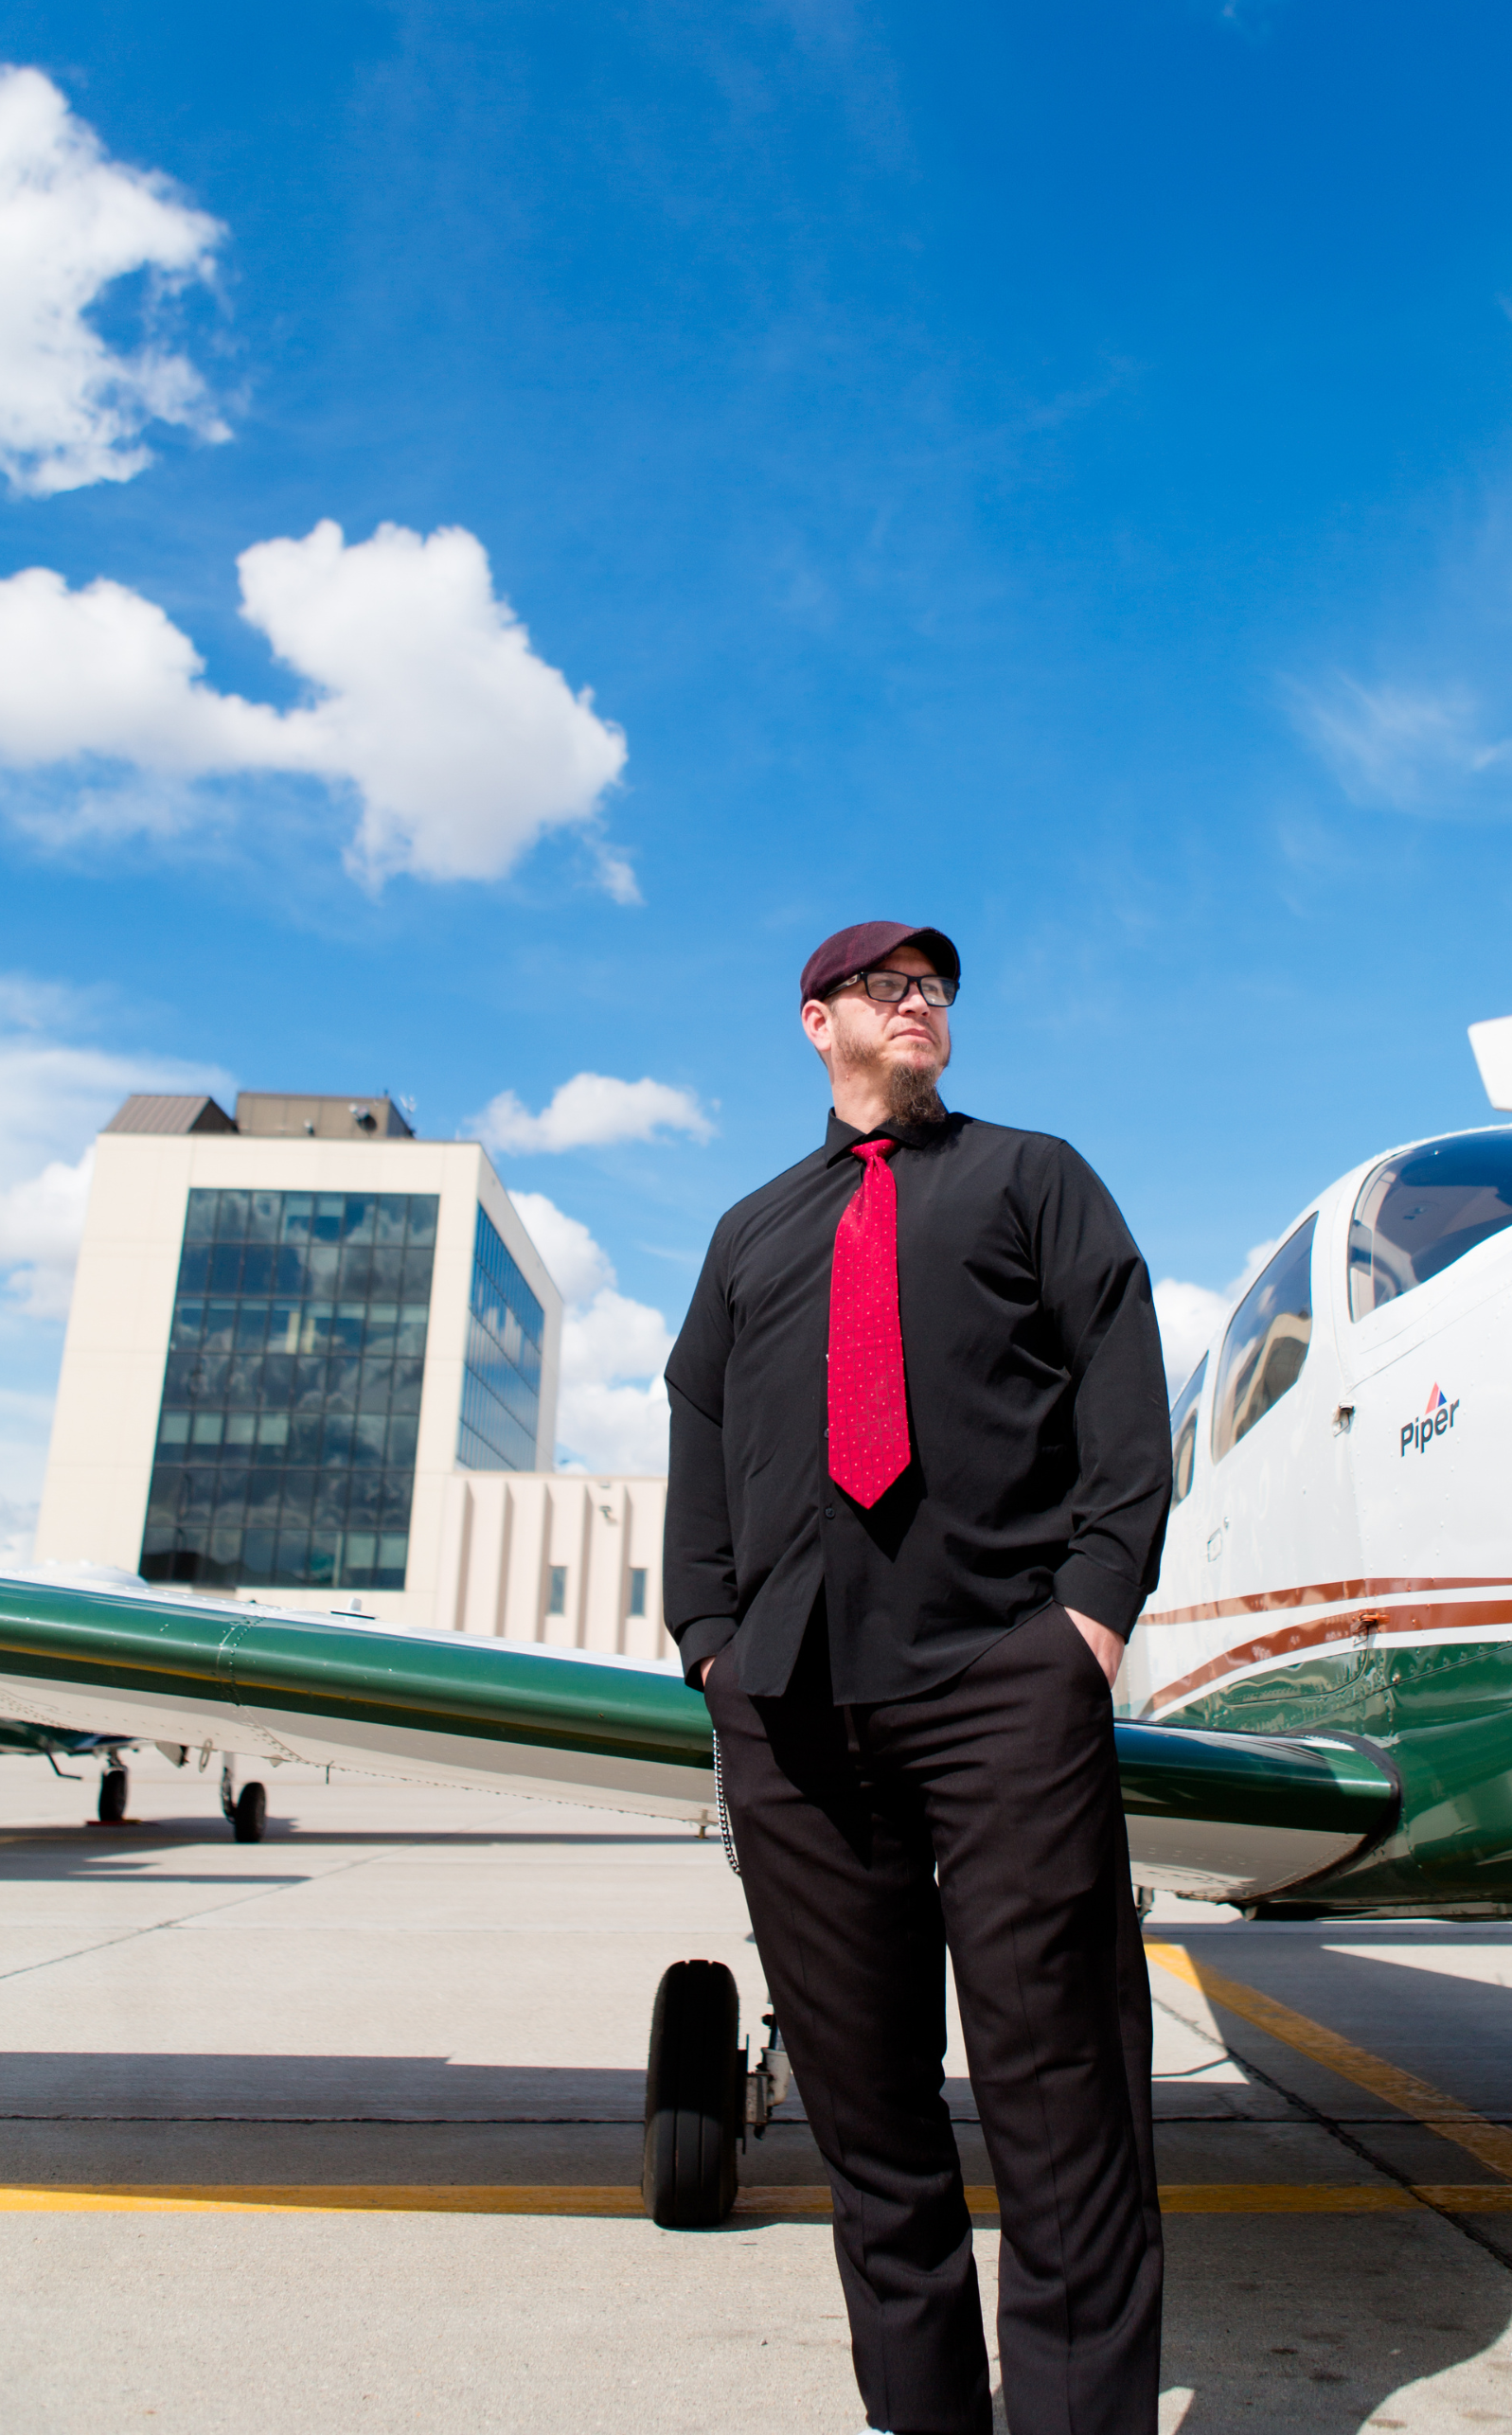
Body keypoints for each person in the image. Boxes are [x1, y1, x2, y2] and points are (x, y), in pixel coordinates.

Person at [664, 921, 1171, 2435]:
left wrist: (1087, 1618)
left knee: (1064, 2103)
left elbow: (1125, 1399)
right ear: (817, 1022)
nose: (922, 1005)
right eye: (891, 989)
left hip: (1004, 1682)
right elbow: (697, 1424)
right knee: (870, 2118)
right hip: (796, 1708)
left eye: (937, 989)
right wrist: (706, 1642)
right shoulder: (751, 1230)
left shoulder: (1035, 1178)